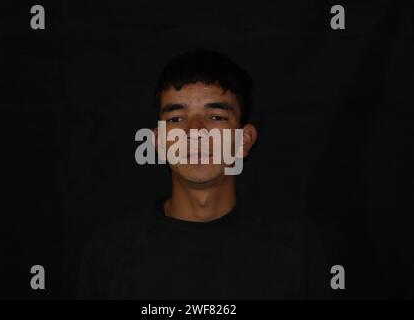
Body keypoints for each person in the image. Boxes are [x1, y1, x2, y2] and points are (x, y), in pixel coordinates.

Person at [77, 50, 330, 299]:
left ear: (245, 140)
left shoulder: (298, 250)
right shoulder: (109, 254)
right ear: (159, 142)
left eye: (216, 116)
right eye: (177, 118)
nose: (195, 131)